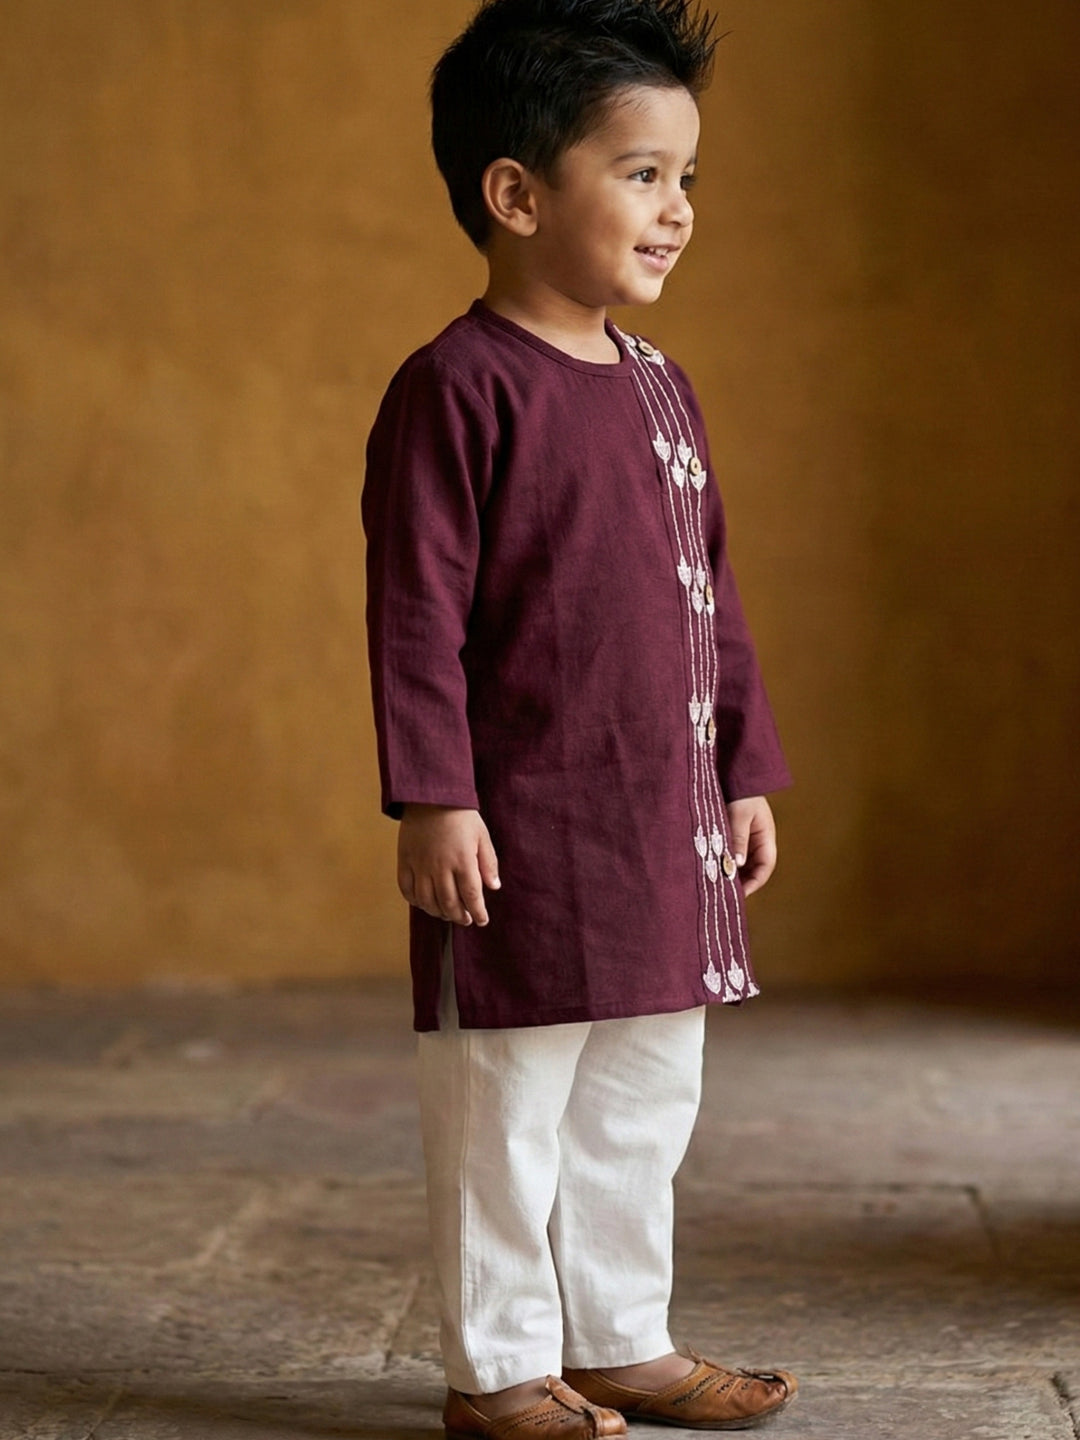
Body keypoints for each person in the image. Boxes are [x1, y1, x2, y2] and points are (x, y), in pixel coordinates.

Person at [362, 1, 798, 1434]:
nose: (676, 211)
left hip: (659, 828)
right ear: (516, 192)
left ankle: (623, 1334)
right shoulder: (458, 389)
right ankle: (495, 1367)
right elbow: (416, 614)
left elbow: (710, 595)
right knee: (505, 1108)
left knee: (643, 1099)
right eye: (642, 174)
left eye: (688, 181)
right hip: (519, 836)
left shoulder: (667, 395)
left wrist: (744, 769)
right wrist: (437, 794)